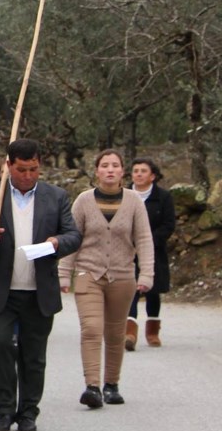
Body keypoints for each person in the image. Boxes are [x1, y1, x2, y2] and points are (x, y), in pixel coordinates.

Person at [0, 139, 82, 431]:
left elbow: (73, 235)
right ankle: (4, 410)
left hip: (39, 291)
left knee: (34, 355)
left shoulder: (55, 197)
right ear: (8, 166)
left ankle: (28, 411)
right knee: (2, 346)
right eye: (21, 170)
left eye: (33, 169)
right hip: (2, 290)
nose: (28, 176)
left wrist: (56, 242)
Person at [59, 149, 154, 409]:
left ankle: (112, 385)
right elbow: (72, 239)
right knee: (91, 329)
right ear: (97, 171)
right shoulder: (83, 201)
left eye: (115, 165)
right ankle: (92, 386)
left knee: (115, 333)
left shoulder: (134, 201)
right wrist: (63, 274)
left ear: (122, 171)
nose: (110, 170)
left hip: (123, 276)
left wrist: (146, 274)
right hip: (89, 273)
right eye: (105, 165)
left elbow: (144, 239)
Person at [127, 157, 175, 349]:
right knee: (130, 289)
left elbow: (168, 225)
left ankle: (152, 331)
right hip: (127, 251)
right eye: (135, 170)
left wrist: (147, 242)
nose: (138, 174)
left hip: (154, 251)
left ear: (152, 176)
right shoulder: (123, 195)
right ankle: (129, 332)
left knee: (153, 291)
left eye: (143, 171)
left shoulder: (164, 197)